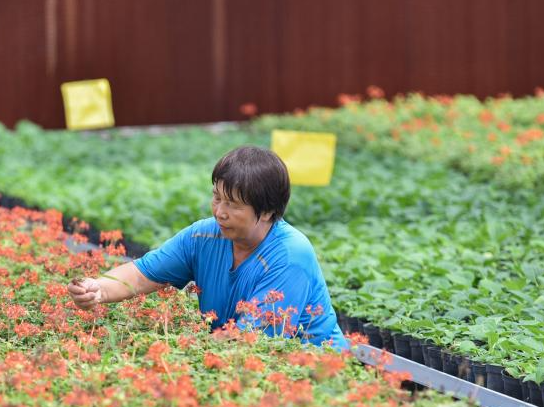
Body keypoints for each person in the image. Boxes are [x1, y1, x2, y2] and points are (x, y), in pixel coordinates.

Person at [68, 145, 349, 351]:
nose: (219, 212)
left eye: (233, 204)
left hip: (313, 370)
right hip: (236, 361)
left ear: (267, 212)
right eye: (216, 198)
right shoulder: (203, 236)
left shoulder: (289, 255)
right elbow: (142, 275)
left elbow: (251, 342)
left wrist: (172, 351)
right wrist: (98, 289)